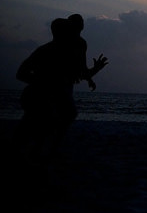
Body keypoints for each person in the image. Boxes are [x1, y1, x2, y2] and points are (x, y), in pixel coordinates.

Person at [15, 14, 108, 161]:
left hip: (52, 95)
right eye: (69, 30)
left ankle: (40, 153)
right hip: (38, 96)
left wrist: (94, 71)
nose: (72, 33)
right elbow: (21, 73)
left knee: (56, 120)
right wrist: (43, 83)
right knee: (42, 124)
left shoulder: (73, 49)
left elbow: (80, 72)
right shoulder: (46, 51)